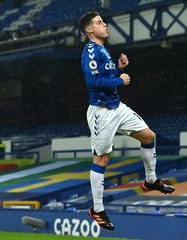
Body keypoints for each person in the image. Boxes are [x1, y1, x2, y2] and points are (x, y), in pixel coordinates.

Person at [78, 12, 175, 231]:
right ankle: (97, 209)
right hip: (101, 112)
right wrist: (120, 80)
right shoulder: (91, 50)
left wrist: (118, 68)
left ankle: (151, 180)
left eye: (103, 21)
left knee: (149, 136)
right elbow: (94, 81)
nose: (105, 25)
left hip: (116, 106)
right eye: (99, 23)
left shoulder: (102, 49)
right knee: (102, 158)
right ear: (89, 30)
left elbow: (105, 76)